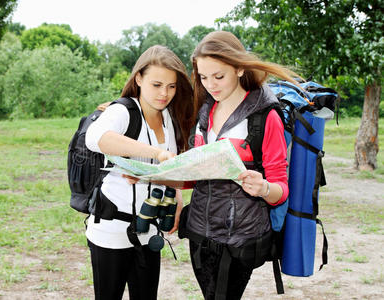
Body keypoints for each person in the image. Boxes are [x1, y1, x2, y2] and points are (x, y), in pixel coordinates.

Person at [181, 31, 302, 300]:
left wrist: (262, 188)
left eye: (218, 76)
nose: (210, 84)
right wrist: (156, 175)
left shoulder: (265, 117)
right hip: (199, 233)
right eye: (203, 77)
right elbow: (194, 176)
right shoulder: (204, 111)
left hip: (240, 238)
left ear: (239, 68)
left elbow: (281, 189)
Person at [84, 45, 194, 300]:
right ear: (139, 79)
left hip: (149, 230)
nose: (164, 93)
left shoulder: (171, 117)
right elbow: (95, 137)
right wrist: (155, 154)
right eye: (157, 85)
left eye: (171, 86)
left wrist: (177, 200)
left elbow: (172, 169)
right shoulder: (122, 111)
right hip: (111, 230)